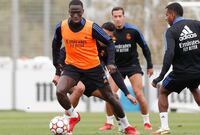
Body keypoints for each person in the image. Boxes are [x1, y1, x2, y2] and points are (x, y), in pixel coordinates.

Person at [52, 0, 139, 134]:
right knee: (59, 91)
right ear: (68, 12)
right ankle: (72, 117)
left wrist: (110, 62)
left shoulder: (91, 27)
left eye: (78, 13)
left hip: (93, 69)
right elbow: (55, 45)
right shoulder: (61, 27)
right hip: (72, 68)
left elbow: (110, 42)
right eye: (73, 12)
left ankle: (126, 126)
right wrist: (57, 70)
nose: (75, 15)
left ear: (83, 12)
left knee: (111, 97)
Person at [151, 2, 200, 134]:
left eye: (167, 14)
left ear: (173, 14)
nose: (165, 18)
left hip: (181, 72)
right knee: (194, 87)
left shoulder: (171, 31)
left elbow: (169, 54)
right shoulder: (196, 24)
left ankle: (164, 127)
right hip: (198, 71)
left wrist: (160, 76)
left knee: (163, 91)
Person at [99, 6, 153, 131]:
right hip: (115, 67)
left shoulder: (133, 30)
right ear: (112, 17)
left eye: (120, 16)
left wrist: (149, 65)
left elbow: (145, 47)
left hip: (132, 66)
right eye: (115, 16)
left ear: (124, 17)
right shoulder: (108, 33)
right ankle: (109, 122)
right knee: (110, 94)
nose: (118, 19)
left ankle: (147, 121)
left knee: (138, 93)